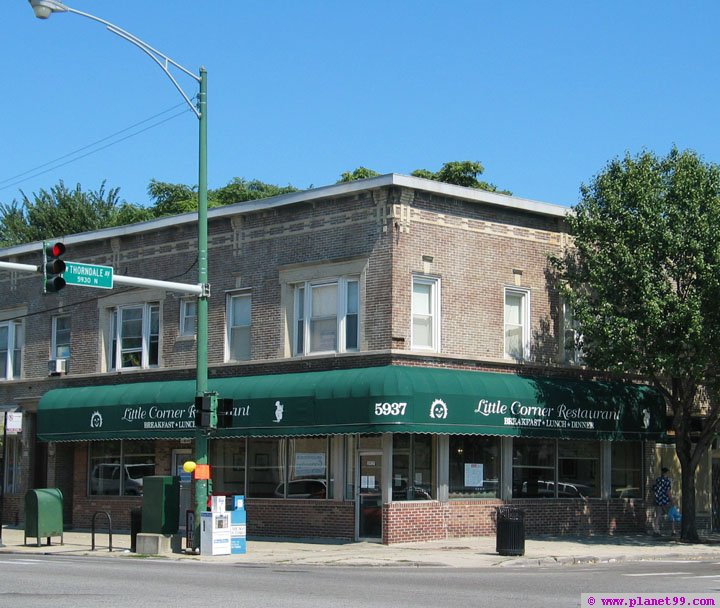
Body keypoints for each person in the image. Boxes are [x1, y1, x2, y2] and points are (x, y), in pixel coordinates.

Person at [652, 467, 676, 537]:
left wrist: (656, 497)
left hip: (658, 500)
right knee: (671, 514)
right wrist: (672, 500)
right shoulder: (668, 481)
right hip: (666, 500)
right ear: (666, 473)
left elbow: (654, 489)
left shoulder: (657, 480)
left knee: (658, 515)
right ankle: (673, 530)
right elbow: (668, 492)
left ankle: (656, 530)